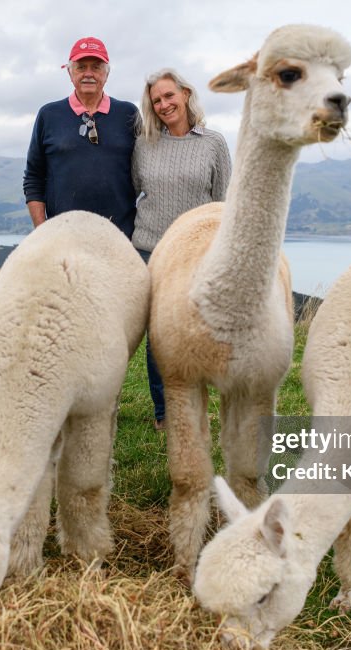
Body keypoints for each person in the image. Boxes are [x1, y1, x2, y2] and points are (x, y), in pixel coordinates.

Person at [132, 68, 232, 431]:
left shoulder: (214, 143)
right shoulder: (144, 144)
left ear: (186, 94)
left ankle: (197, 404)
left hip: (198, 253)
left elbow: (223, 203)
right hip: (150, 250)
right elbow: (133, 190)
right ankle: (166, 414)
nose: (163, 105)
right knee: (159, 336)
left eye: (169, 96)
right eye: (156, 100)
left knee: (197, 332)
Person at [23, 37, 139, 239]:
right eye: (81, 67)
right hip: (63, 238)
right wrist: (42, 234)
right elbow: (34, 178)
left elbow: (144, 170)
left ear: (107, 73)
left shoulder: (128, 113)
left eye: (96, 67)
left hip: (121, 238)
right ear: (69, 72)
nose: (88, 74)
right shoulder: (49, 115)